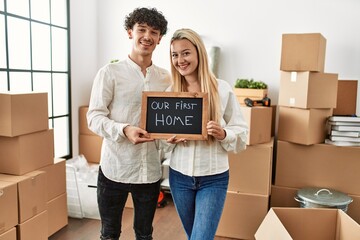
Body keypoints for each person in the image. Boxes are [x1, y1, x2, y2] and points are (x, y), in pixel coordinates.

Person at [87, 7, 170, 240]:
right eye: (141, 29)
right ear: (129, 32)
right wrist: (124, 129)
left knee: (145, 235)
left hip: (150, 171)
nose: (147, 36)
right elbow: (94, 117)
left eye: (154, 32)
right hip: (115, 169)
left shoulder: (167, 78)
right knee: (109, 234)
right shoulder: (109, 73)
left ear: (160, 38)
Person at [162, 28, 249, 240]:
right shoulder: (169, 94)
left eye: (186, 53)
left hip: (213, 178)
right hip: (179, 177)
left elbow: (243, 133)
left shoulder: (222, 89)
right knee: (194, 235)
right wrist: (169, 140)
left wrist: (223, 133)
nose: (180, 60)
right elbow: (161, 143)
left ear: (199, 53)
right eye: (175, 54)